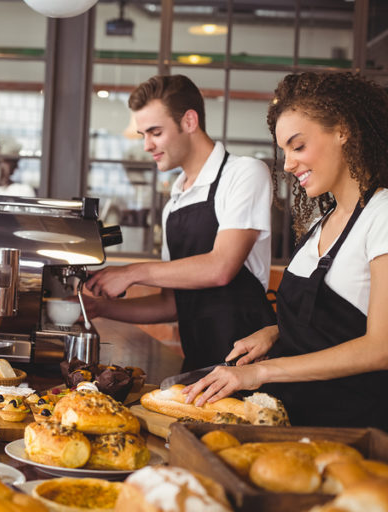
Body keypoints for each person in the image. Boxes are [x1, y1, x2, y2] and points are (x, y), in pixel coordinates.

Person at [183, 72, 388, 431]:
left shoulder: (382, 214)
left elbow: (379, 347)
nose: (288, 164)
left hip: (354, 433)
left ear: (343, 130)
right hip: (296, 423)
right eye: (284, 151)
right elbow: (333, 322)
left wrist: (260, 372)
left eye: (298, 146)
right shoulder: (320, 224)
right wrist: (276, 332)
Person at [83, 75, 276, 372]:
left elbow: (221, 267)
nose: (146, 145)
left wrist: (132, 273)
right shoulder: (174, 203)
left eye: (155, 132)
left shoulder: (244, 174)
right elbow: (172, 304)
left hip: (248, 367)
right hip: (197, 366)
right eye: (142, 134)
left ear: (188, 121)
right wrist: (100, 308)